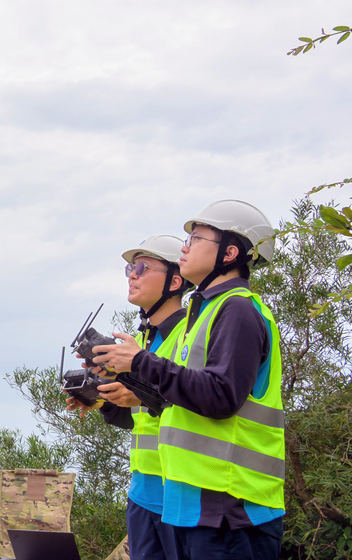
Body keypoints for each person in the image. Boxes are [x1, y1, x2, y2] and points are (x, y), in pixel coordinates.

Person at [92, 200, 283, 560]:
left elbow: (221, 397)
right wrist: (110, 396)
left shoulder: (238, 309)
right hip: (195, 506)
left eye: (195, 238)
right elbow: (172, 403)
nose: (185, 246)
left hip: (230, 508)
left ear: (229, 252)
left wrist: (139, 362)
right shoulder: (207, 311)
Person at [66, 234, 192, 560]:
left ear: (175, 280)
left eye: (141, 267)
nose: (132, 275)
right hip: (142, 494)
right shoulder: (139, 341)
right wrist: (100, 399)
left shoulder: (192, 337)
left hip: (182, 495)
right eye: (129, 269)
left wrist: (139, 394)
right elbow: (137, 416)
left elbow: (198, 402)